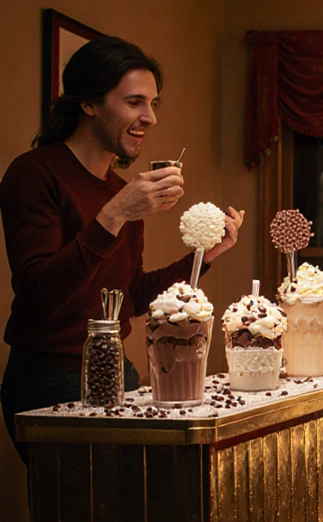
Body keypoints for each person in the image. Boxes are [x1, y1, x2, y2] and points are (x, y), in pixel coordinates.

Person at [1, 37, 243, 463]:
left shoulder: (119, 190)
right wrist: (113, 215)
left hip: (120, 372)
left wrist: (207, 255)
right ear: (90, 103)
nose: (148, 117)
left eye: (152, 104)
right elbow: (39, 293)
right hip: (49, 378)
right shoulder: (35, 173)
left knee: (134, 517)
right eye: (134, 102)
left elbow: (127, 297)